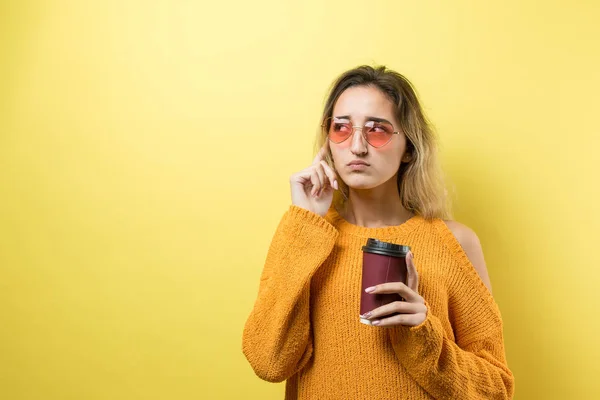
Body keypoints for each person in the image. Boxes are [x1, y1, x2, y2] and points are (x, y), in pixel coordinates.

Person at [242, 65, 514, 399]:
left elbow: (496, 390)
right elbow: (269, 362)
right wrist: (305, 222)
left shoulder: (454, 242)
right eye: (341, 128)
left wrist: (422, 333)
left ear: (409, 148)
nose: (357, 146)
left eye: (377, 131)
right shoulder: (306, 234)